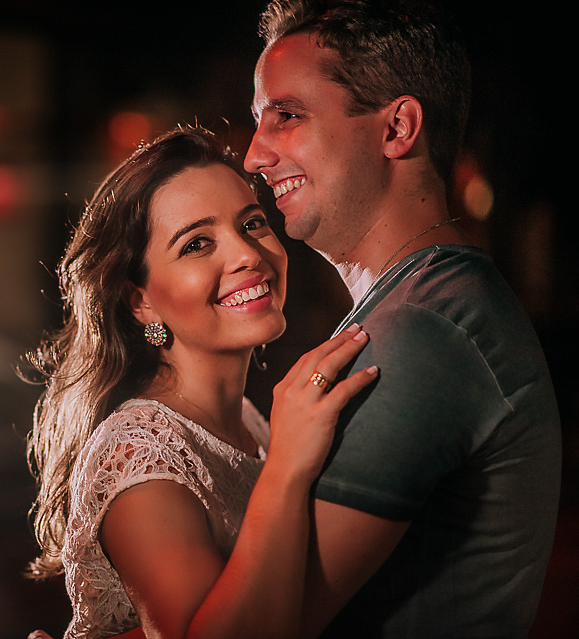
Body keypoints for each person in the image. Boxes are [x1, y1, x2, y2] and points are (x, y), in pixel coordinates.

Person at [242, 0, 562, 636]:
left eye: (287, 116)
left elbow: (261, 627)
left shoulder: (422, 332)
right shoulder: (423, 305)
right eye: (260, 121)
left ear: (398, 128)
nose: (255, 155)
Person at [24, 126, 379, 639]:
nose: (247, 255)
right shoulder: (139, 454)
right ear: (140, 300)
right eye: (197, 244)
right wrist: (287, 469)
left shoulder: (251, 424)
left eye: (252, 223)